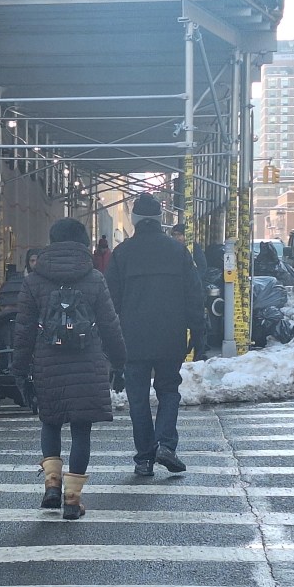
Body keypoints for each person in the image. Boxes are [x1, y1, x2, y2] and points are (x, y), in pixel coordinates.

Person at [11, 218, 126, 520]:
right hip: (86, 361)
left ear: (51, 241)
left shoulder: (34, 280)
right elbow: (109, 324)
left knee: (50, 422)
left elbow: (23, 329)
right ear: (82, 242)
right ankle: (72, 499)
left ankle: (51, 483)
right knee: (81, 430)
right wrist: (120, 362)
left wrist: (19, 368)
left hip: (47, 360)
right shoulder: (94, 278)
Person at [106, 192, 205, 477]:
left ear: (135, 220)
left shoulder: (122, 253)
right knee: (168, 390)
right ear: (160, 219)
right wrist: (198, 333)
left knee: (137, 397)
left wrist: (109, 342)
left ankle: (144, 458)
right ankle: (166, 444)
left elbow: (110, 301)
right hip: (170, 334)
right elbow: (193, 296)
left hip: (132, 338)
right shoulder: (177, 252)